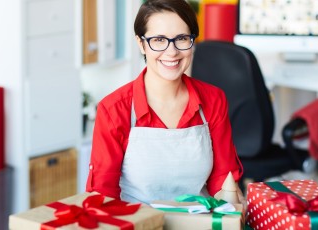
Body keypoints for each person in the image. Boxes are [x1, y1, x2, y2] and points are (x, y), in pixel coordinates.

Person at [86, 0, 243, 204]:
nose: (172, 52)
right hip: (138, 223)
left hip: (199, 221)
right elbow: (103, 194)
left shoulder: (213, 100)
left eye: (182, 38)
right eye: (159, 40)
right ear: (141, 44)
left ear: (193, 41)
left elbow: (224, 179)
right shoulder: (114, 109)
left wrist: (233, 209)